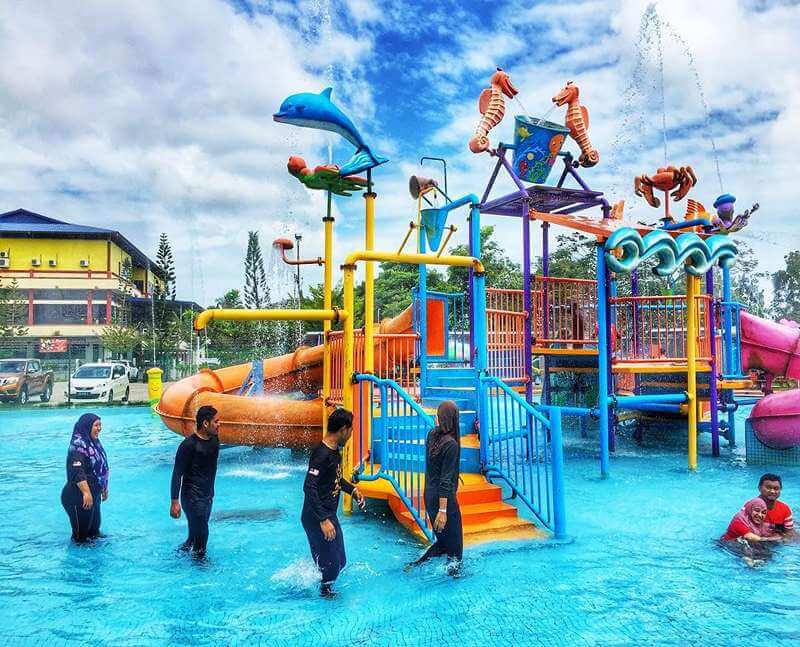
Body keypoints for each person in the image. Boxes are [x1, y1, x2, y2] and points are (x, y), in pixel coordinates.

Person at [301, 408, 364, 597]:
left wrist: (352, 490)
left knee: (340, 561)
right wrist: (322, 520)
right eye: (351, 429)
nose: (352, 434)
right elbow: (308, 487)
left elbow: (335, 479)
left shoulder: (335, 451)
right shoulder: (321, 454)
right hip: (316, 517)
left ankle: (320, 580)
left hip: (327, 515)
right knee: (332, 566)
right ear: (343, 429)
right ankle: (324, 595)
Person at [407, 400, 463, 571]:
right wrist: (443, 511)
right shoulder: (451, 444)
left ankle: (415, 566)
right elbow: (445, 480)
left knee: (444, 543)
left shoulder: (431, 435)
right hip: (443, 501)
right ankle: (454, 580)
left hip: (429, 496)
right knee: (456, 553)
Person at [170, 405, 220, 558]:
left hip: (207, 496)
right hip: (192, 497)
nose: (219, 424)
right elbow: (177, 473)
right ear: (205, 423)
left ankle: (178, 556)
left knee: (193, 536)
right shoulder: (189, 445)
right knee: (202, 535)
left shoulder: (215, 440)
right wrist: (174, 502)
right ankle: (200, 569)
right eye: (216, 421)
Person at [61, 413, 109, 543]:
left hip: (94, 493)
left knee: (94, 532)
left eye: (100, 425)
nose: (99, 428)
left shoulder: (93, 442)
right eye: (96, 425)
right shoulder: (78, 445)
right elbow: (77, 471)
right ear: (87, 426)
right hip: (77, 496)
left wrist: (104, 488)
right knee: (81, 538)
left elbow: (101, 466)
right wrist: (86, 492)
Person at [757, 473, 794, 537]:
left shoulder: (785, 509)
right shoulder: (749, 507)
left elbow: (789, 533)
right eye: (768, 488)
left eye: (776, 488)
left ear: (780, 490)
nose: (772, 491)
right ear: (759, 488)